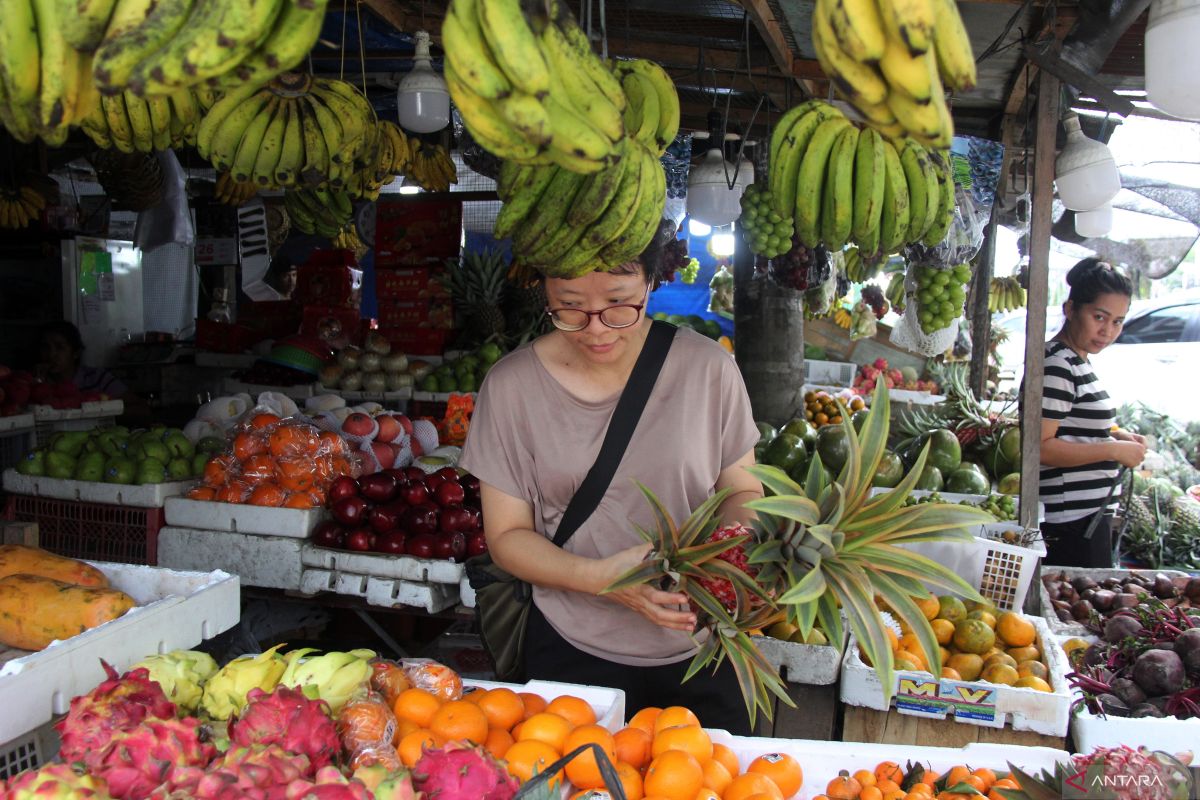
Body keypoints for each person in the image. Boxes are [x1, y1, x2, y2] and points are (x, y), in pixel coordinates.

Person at [459, 223, 763, 734]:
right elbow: (507, 536)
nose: (597, 329)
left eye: (620, 304)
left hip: (705, 651)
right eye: (570, 307)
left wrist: (725, 556)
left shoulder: (708, 369)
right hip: (571, 654)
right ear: (545, 292)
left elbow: (743, 490)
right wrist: (601, 581)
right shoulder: (511, 387)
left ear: (649, 283)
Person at [1038, 258, 1146, 567]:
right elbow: (1041, 447)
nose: (1108, 330)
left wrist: (1115, 433)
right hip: (1070, 521)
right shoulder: (1058, 364)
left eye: (1117, 321)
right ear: (1070, 309)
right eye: (1099, 317)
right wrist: (1113, 450)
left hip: (1086, 517)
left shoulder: (1076, 359)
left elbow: (1071, 425)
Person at [37, 321, 127, 399]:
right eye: (45, 347)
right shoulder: (38, 380)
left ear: (76, 353)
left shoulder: (96, 379)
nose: (51, 354)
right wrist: (38, 383)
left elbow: (135, 406)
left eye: (60, 347)